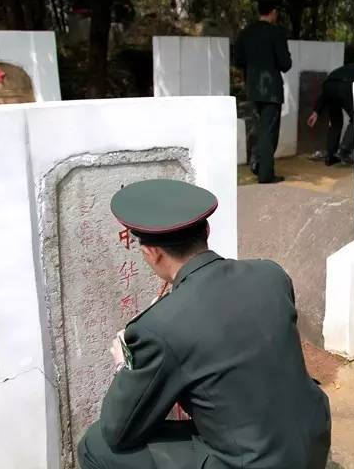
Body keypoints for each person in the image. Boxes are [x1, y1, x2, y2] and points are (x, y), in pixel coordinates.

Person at [77, 179, 331, 469]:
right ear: (207, 231)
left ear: (151, 252)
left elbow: (118, 431)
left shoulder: (158, 327)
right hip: (312, 441)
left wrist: (127, 365)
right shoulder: (271, 274)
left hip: (254, 462)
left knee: (96, 444)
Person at [234, 0, 292, 184]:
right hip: (271, 90)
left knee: (261, 129)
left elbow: (238, 60)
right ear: (274, 12)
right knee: (269, 132)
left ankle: (259, 165)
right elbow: (285, 64)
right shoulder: (276, 33)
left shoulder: (245, 33)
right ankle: (265, 173)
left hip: (253, 88)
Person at [306, 55, 354, 166]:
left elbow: (328, 89)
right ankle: (344, 151)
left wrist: (316, 111)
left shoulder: (351, 68)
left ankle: (331, 157)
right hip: (343, 86)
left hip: (328, 85)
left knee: (336, 123)